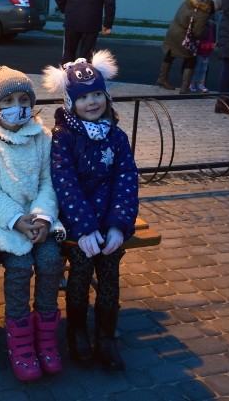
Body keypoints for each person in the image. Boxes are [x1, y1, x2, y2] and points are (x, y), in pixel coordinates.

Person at [42, 50, 139, 372]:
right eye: (84, 97)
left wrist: (117, 225)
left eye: (98, 94)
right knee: (81, 270)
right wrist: (84, 229)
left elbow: (126, 180)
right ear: (71, 102)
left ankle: (107, 336)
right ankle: (77, 331)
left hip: (109, 221)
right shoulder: (63, 137)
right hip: (76, 223)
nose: (93, 102)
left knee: (110, 271)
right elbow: (64, 182)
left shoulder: (117, 136)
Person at [0, 65, 64, 381]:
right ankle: (20, 341)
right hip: (5, 221)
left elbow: (49, 181)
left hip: (40, 219)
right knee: (20, 268)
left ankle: (46, 337)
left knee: (50, 262)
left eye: (24, 99)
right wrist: (15, 219)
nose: (17, 106)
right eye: (8, 100)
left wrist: (41, 217)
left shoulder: (42, 136)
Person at [156, 0, 220, 93]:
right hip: (184, 36)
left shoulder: (190, 0)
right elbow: (198, 32)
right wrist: (207, 30)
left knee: (170, 55)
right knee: (191, 59)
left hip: (173, 31)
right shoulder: (204, 11)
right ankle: (184, 88)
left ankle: (162, 78)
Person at [182, 0, 220, 93]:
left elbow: (216, 1)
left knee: (205, 56)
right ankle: (187, 83)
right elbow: (187, 1)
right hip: (195, 20)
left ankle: (201, 82)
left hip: (209, 21)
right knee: (192, 54)